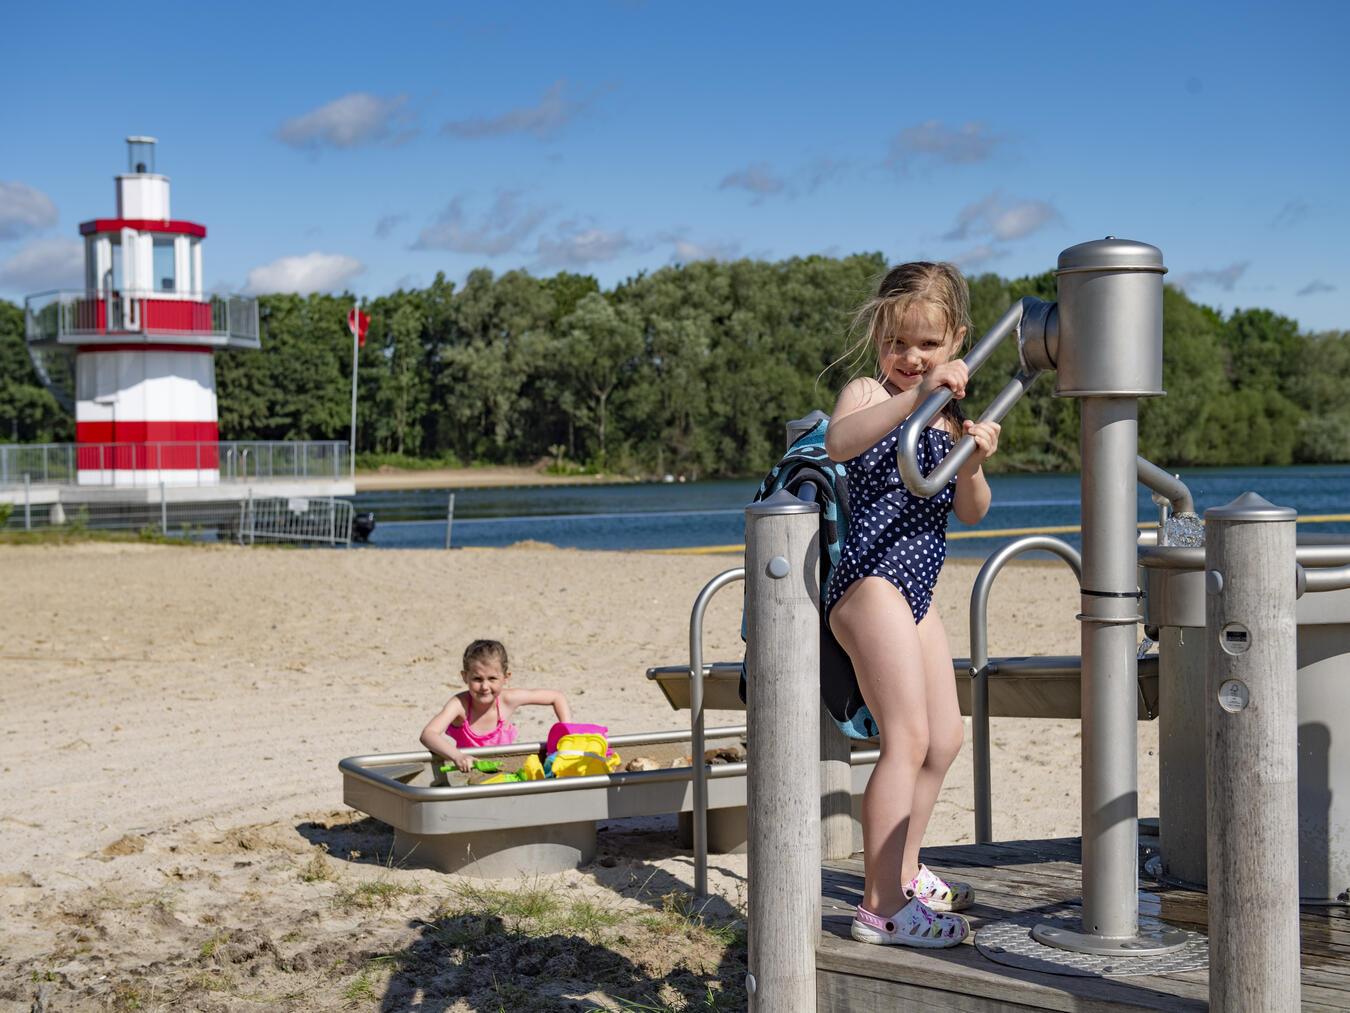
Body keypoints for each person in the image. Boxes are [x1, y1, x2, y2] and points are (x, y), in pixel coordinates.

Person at [822, 261, 1000, 948]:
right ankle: (880, 904)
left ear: (957, 339)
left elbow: (972, 510)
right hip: (869, 583)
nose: (911, 357)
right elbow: (841, 441)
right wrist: (917, 393)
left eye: (927, 344)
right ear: (879, 338)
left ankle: (904, 865)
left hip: (917, 590)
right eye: (898, 342)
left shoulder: (949, 418)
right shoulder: (870, 391)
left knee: (945, 736)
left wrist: (974, 458)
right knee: (908, 737)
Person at [419, 639, 571, 773]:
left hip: (504, 770)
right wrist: (458, 756)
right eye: (477, 679)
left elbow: (557, 697)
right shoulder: (460, 705)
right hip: (470, 772)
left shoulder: (508, 699)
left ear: (505, 678)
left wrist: (567, 735)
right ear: (465, 677)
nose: (485, 686)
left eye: (492, 678)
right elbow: (428, 734)